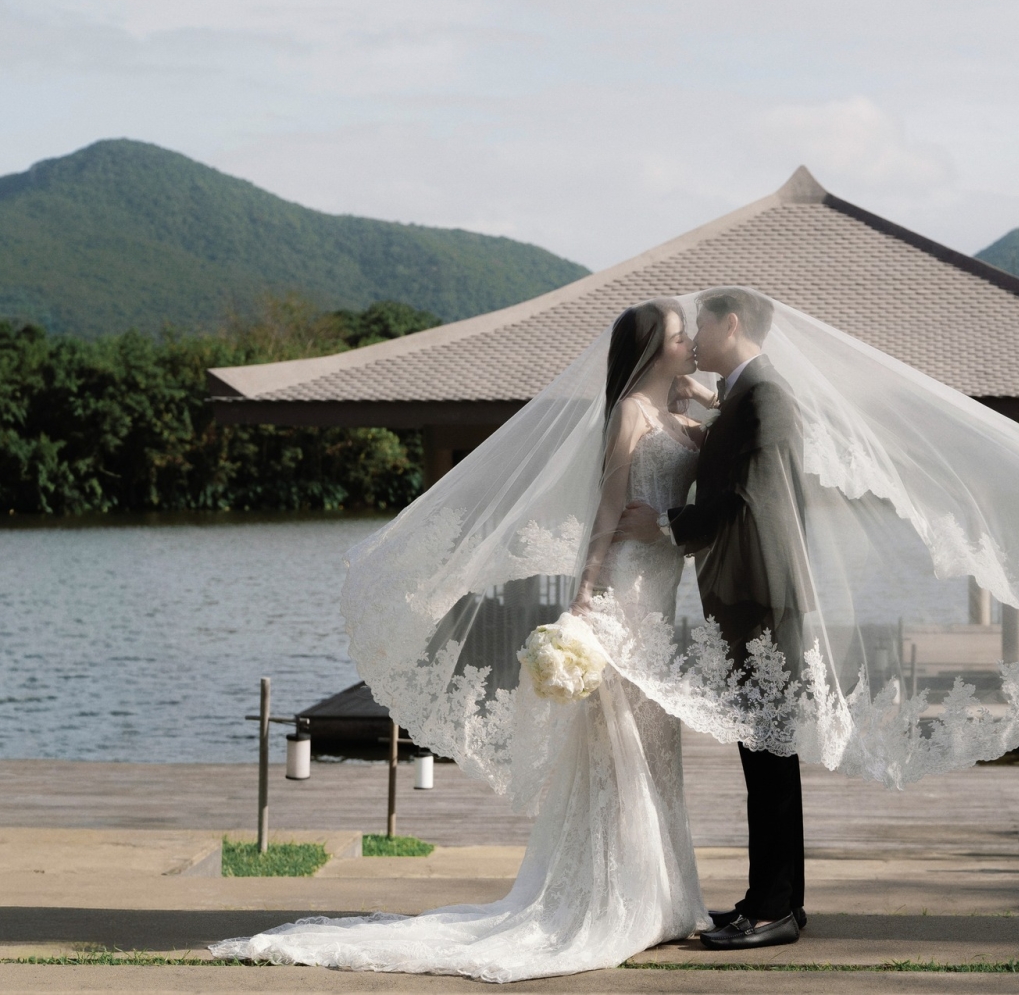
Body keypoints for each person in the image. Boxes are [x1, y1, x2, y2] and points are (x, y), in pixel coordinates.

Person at [211, 300, 716, 982]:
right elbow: (606, 511)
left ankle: (667, 896)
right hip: (623, 589)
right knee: (616, 747)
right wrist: (583, 602)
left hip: (659, 597)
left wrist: (700, 394)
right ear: (654, 350)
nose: (691, 346)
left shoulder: (681, 417)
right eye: (682, 339)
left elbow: (720, 445)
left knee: (657, 747)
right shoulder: (629, 415)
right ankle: (616, 897)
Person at [617, 287, 810, 949]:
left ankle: (773, 912)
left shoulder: (767, 396)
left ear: (730, 324)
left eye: (700, 324)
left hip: (762, 598)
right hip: (748, 597)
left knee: (769, 751)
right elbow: (731, 456)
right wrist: (706, 401)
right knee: (765, 751)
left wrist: (665, 524)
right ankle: (776, 900)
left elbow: (748, 500)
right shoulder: (747, 392)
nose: (694, 337)